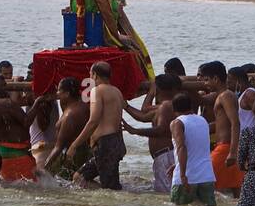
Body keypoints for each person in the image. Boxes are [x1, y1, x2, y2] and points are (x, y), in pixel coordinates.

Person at [68, 61, 126, 190]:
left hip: (106, 145)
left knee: (111, 189)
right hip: (114, 143)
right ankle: (102, 203)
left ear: (94, 75)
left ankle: (112, 204)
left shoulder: (97, 91)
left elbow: (93, 121)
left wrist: (74, 145)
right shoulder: (117, 91)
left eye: (90, 74)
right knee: (78, 177)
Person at [122, 73, 180, 193]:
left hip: (166, 156)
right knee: (167, 192)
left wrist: (135, 131)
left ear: (158, 89)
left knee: (166, 193)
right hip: (165, 155)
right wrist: (126, 106)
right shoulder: (166, 106)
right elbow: (143, 116)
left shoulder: (166, 106)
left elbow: (160, 130)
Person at [166, 92, 217, 206]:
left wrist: (183, 175)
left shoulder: (177, 123)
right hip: (206, 176)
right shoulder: (203, 121)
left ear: (174, 109)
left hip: (188, 177)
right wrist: (176, 164)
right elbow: (198, 147)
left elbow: (181, 147)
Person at [0, 71, 36, 183]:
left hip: (1, 152)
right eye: (3, 86)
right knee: (30, 189)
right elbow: (26, 121)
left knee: (9, 186)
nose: (6, 88)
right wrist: (38, 102)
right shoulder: (6, 103)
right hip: (18, 154)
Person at [200, 61, 243, 197]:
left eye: (206, 80)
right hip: (226, 147)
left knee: (205, 184)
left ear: (216, 79)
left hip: (225, 148)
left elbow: (235, 123)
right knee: (235, 190)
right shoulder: (223, 95)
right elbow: (222, 123)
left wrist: (232, 152)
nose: (205, 84)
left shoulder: (225, 96)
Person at [41, 78, 89, 180]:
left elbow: (58, 147)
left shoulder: (70, 115)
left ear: (67, 94)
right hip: (83, 152)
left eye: (59, 91)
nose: (57, 93)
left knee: (62, 183)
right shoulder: (82, 106)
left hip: (71, 156)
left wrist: (44, 168)